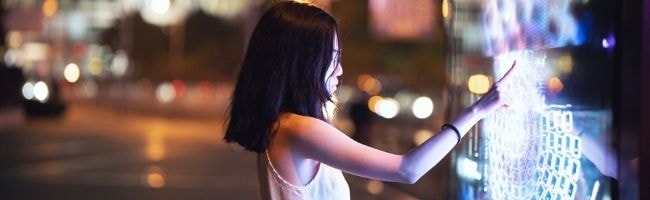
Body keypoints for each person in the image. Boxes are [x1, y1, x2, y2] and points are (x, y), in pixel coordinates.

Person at [224, 1, 515, 199]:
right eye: (332, 58)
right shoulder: (298, 129)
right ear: (305, 62)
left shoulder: (284, 127)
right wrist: (476, 110)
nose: (339, 70)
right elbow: (407, 169)